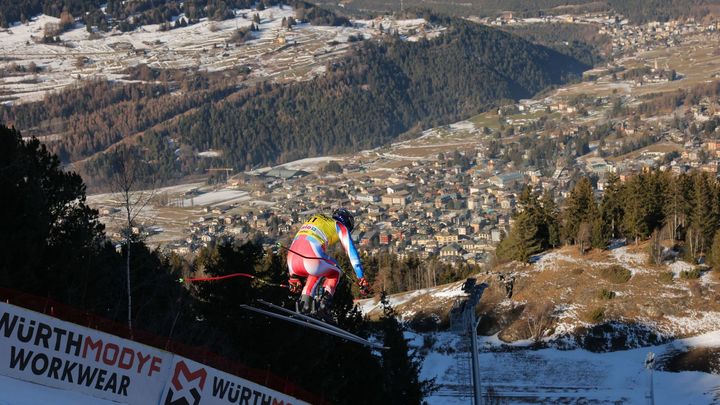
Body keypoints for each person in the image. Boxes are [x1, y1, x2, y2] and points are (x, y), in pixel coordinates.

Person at [287, 208, 369, 314]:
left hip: (291, 261)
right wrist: (360, 276)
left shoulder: (317, 219)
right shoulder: (340, 226)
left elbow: (299, 242)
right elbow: (352, 252)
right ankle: (324, 306)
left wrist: (293, 277)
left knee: (318, 270)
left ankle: (305, 304)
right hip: (310, 258)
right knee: (335, 271)